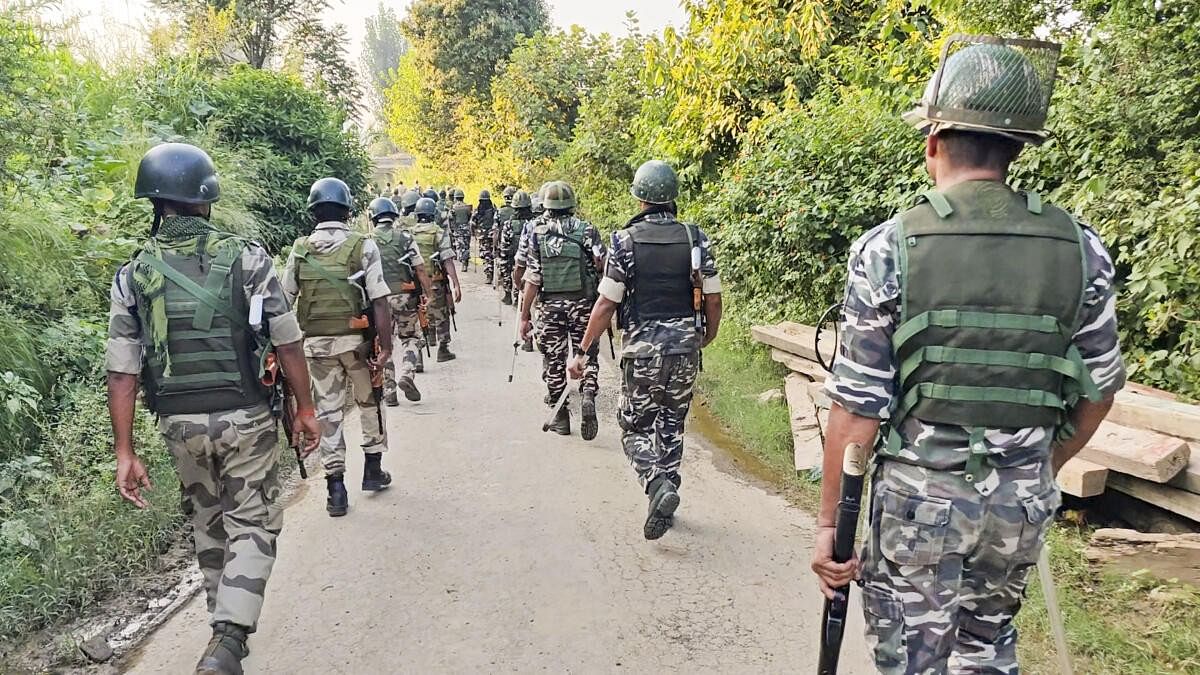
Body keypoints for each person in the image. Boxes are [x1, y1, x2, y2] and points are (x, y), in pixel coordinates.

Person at [809, 36, 1124, 673]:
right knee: (985, 652)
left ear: (932, 142)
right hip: (1019, 505)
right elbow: (1100, 388)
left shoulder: (889, 247)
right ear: (1018, 147)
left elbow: (857, 411)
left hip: (918, 504)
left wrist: (827, 526)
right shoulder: (1080, 248)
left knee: (913, 659)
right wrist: (1038, 462)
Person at [108, 143, 321, 674]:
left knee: (209, 524)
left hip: (178, 424)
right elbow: (288, 341)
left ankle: (224, 637)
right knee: (252, 522)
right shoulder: (248, 258)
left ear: (154, 202)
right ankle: (229, 637)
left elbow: (123, 371)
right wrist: (306, 408)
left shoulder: (132, 275)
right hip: (246, 415)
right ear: (205, 198)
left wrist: (124, 451)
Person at [570, 160, 721, 540]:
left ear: (639, 198)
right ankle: (667, 495)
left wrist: (584, 350)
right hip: (685, 348)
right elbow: (714, 298)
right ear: (673, 198)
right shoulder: (694, 238)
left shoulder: (625, 241)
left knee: (633, 425)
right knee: (672, 424)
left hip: (642, 352)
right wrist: (706, 337)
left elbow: (606, 303)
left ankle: (657, 486)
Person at [282, 177, 394, 518]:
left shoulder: (300, 249)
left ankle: (335, 489)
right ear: (347, 210)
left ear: (313, 211)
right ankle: (373, 470)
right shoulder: (364, 245)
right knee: (369, 402)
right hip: (357, 346)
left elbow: (284, 302)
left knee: (328, 413)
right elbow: (379, 299)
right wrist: (385, 347)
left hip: (316, 347)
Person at [518, 181, 605, 439]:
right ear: (572, 204)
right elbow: (602, 263)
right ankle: (588, 392)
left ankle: (561, 415)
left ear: (546, 206)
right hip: (583, 303)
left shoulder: (537, 232)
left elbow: (532, 278)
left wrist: (525, 316)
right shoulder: (587, 230)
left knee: (554, 360)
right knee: (586, 351)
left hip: (550, 307)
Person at [369, 197, 434, 405]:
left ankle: (389, 391)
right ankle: (407, 372)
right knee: (411, 338)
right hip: (405, 296)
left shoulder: (366, 240)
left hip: (378, 300)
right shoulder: (406, 238)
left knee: (383, 342)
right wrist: (429, 293)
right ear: (394, 216)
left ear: (374, 218)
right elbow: (420, 268)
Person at [410, 196, 462, 364]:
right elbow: (447, 259)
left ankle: (418, 357)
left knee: (420, 314)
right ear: (433, 214)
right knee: (441, 314)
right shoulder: (438, 232)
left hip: (415, 283)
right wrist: (455, 283)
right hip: (435, 281)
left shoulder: (409, 233)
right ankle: (443, 348)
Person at [513, 183, 550, 353]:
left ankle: (529, 337)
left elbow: (521, 261)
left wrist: (519, 283)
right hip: (575, 292)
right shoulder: (581, 227)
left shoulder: (531, 226)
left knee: (536, 311)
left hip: (538, 282)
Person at [496, 190, 533, 306]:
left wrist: (502, 259)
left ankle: (508, 294)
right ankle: (520, 299)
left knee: (506, 268)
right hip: (529, 259)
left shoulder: (509, 224)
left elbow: (504, 247)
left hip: (512, 257)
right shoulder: (534, 223)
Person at [490, 186, 516, 285]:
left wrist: (494, 247)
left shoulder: (499, 212)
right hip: (518, 244)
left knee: (505, 268)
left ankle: (507, 291)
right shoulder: (521, 210)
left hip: (504, 244)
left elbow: (495, 232)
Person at [449, 188, 473, 270]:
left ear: (455, 197)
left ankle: (463, 261)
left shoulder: (453, 208)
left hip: (458, 230)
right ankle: (465, 262)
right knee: (466, 246)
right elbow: (470, 217)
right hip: (466, 229)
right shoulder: (467, 207)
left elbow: (450, 218)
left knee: (460, 247)